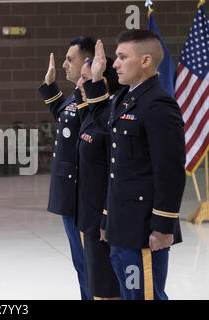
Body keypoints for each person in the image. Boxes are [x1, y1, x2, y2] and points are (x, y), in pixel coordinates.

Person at [84, 31, 186, 300]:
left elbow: (171, 172)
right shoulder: (125, 98)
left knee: (145, 295)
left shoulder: (158, 105)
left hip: (144, 228)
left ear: (145, 60)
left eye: (122, 57)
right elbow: (116, 165)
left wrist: (163, 227)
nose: (114, 64)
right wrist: (108, 218)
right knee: (130, 294)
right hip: (122, 224)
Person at [38, 36, 96, 300]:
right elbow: (67, 117)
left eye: (69, 59)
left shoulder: (93, 93)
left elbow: (87, 124)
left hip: (81, 194)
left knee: (89, 264)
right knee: (80, 262)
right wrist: (50, 87)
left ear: (87, 61)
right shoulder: (76, 95)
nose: (63, 64)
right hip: (69, 194)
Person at [75, 56, 123, 300]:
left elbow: (113, 173)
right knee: (98, 288)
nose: (80, 84)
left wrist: (106, 215)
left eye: (85, 78)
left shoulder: (110, 116)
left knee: (109, 288)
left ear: (102, 81)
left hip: (103, 215)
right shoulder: (93, 114)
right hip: (89, 214)